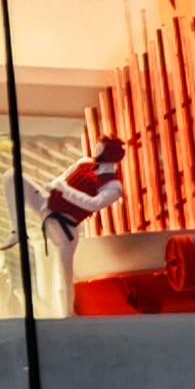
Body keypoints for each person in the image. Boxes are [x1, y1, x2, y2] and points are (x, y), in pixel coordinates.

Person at [42, 136, 128, 317]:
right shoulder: (84, 163)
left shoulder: (113, 185)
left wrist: (65, 190)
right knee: (58, 270)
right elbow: (59, 180)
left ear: (108, 152)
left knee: (64, 272)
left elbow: (93, 204)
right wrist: (51, 189)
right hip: (51, 214)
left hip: (69, 226)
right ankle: (64, 311)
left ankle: (67, 313)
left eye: (101, 147)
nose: (96, 148)